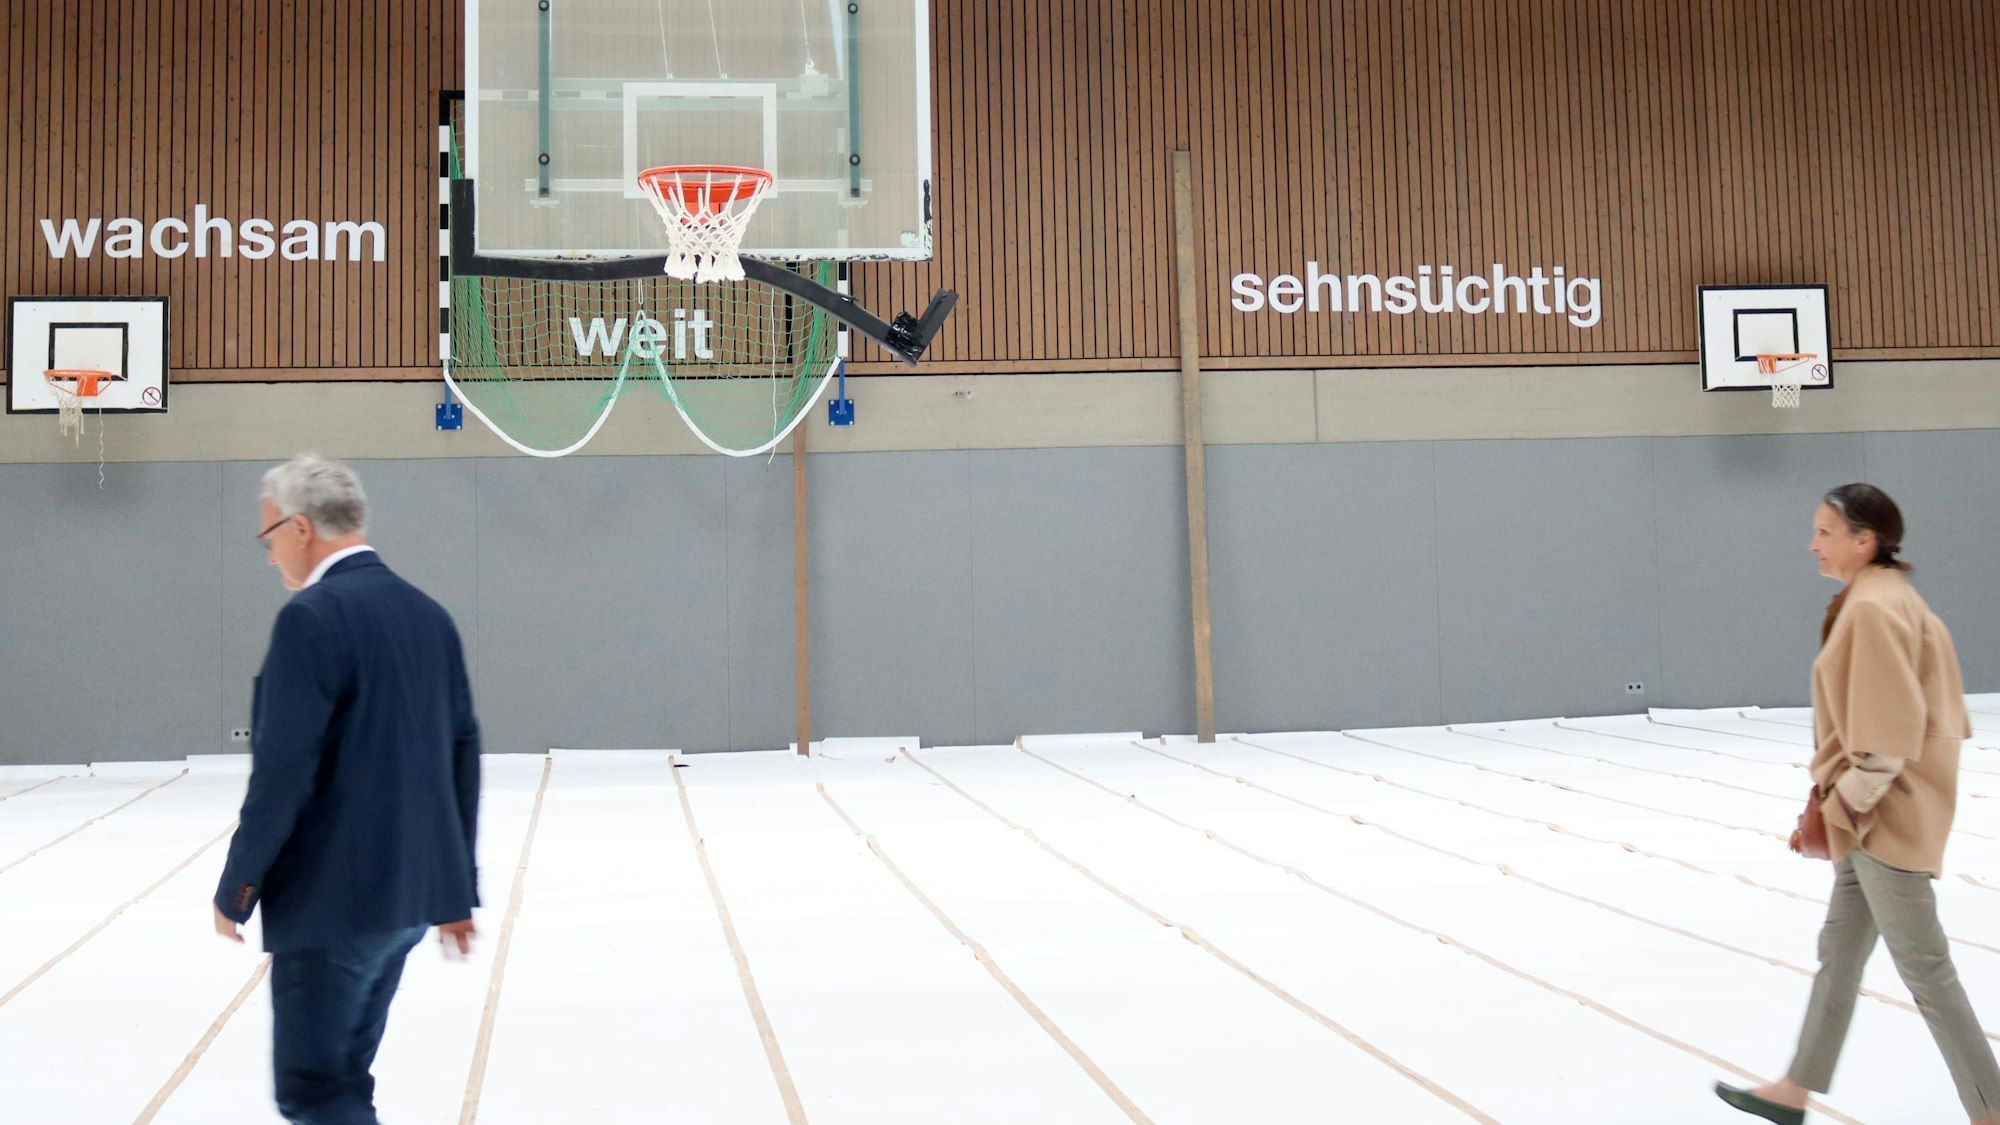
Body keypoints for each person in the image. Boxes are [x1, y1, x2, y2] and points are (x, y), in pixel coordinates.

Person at [213, 454, 483, 1125]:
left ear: (300, 528)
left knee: (313, 1088)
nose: (269, 553)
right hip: (408, 899)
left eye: (268, 536)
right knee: (344, 1078)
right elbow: (461, 754)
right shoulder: (428, 614)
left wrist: (238, 886)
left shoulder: (311, 617)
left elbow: (283, 773)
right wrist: (452, 890)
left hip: (333, 903)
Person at [1717, 484, 1998, 1125]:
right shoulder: (1887, 597)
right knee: (1839, 953)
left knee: (1926, 970)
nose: (1812, 543)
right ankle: (1793, 1092)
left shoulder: (1873, 609)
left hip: (1884, 817)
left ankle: (1992, 1110)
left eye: (1824, 531)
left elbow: (1885, 745)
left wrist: (1833, 810)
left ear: (1863, 539)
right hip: (1878, 813)